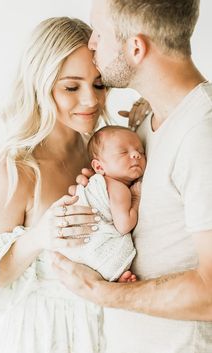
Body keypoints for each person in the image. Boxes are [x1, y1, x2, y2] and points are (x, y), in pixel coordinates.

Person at [52, 1, 212, 352]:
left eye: (99, 33)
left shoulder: (203, 135)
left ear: (135, 47)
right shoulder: (145, 122)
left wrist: (102, 292)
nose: (91, 44)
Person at [0, 16, 119, 353]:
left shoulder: (101, 153)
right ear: (40, 85)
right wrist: (39, 236)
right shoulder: (18, 169)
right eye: (71, 87)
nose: (91, 100)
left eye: (99, 84)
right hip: (41, 337)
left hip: (104, 332)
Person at [61, 125, 145, 282]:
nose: (135, 155)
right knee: (115, 247)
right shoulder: (119, 189)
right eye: (123, 152)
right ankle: (114, 272)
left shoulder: (97, 182)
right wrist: (136, 197)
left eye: (141, 152)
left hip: (72, 249)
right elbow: (124, 225)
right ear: (98, 166)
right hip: (93, 247)